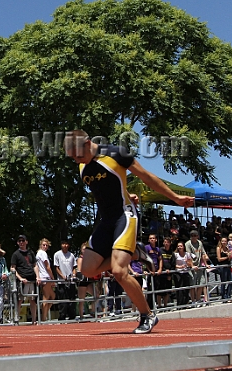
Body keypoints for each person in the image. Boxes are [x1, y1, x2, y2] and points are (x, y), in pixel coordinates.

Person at [64, 130, 194, 333]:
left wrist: (175, 198)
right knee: (87, 270)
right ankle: (135, 253)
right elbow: (104, 189)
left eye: (77, 155)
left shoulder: (116, 154)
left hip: (125, 216)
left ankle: (147, 315)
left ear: (88, 143)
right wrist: (125, 192)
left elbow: (148, 177)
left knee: (118, 271)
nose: (76, 160)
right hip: (105, 221)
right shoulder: (82, 166)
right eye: (72, 157)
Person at [10, 235, 38, 324]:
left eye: (23, 240)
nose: (21, 242)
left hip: (32, 280)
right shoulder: (16, 254)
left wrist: (38, 276)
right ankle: (16, 319)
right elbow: (12, 268)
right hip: (22, 281)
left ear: (26, 242)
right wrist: (20, 278)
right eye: (19, 241)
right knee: (20, 300)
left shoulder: (31, 252)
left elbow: (35, 265)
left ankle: (34, 320)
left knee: (33, 300)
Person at [53, 239, 77, 320]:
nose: (65, 246)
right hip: (61, 282)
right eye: (63, 244)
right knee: (62, 300)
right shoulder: (57, 254)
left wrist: (73, 275)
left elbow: (74, 267)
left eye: (66, 244)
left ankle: (72, 316)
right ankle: (62, 316)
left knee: (72, 299)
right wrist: (62, 276)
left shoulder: (72, 255)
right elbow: (56, 267)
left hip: (71, 282)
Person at [185, 230, 210, 306]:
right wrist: (192, 266)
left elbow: (203, 253)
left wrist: (206, 264)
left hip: (199, 266)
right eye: (192, 235)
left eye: (195, 235)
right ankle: (193, 301)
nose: (193, 237)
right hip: (191, 267)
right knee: (192, 285)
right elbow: (188, 256)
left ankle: (198, 299)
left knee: (201, 283)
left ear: (197, 236)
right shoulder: (188, 244)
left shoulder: (200, 243)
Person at [35, 238, 55, 322]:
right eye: (44, 245)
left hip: (44, 276)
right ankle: (43, 318)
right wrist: (52, 278)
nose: (45, 246)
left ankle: (44, 315)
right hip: (45, 277)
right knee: (46, 297)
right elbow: (47, 266)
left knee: (52, 296)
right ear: (40, 245)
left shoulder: (39, 254)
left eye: (47, 245)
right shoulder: (42, 253)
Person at [173, 242, 193, 306]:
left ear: (183, 247)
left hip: (185, 272)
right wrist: (180, 267)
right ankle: (180, 304)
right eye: (178, 246)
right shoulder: (175, 254)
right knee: (179, 289)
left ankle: (186, 302)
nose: (179, 247)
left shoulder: (187, 254)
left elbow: (190, 264)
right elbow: (173, 264)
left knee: (186, 288)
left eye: (181, 246)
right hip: (178, 273)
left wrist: (188, 263)